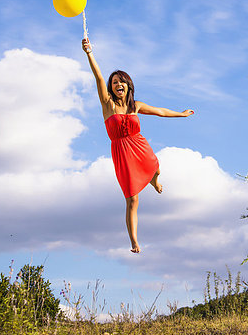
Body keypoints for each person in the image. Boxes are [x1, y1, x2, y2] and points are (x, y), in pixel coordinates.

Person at [82, 37, 194, 254]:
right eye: (114, 82)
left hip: (139, 145)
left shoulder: (136, 106)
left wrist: (180, 114)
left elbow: (160, 111)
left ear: (128, 85)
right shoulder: (108, 105)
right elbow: (97, 76)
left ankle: (154, 180)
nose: (117, 85)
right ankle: (134, 241)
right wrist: (89, 53)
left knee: (156, 168)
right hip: (121, 152)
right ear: (111, 87)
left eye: (121, 81)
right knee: (132, 199)